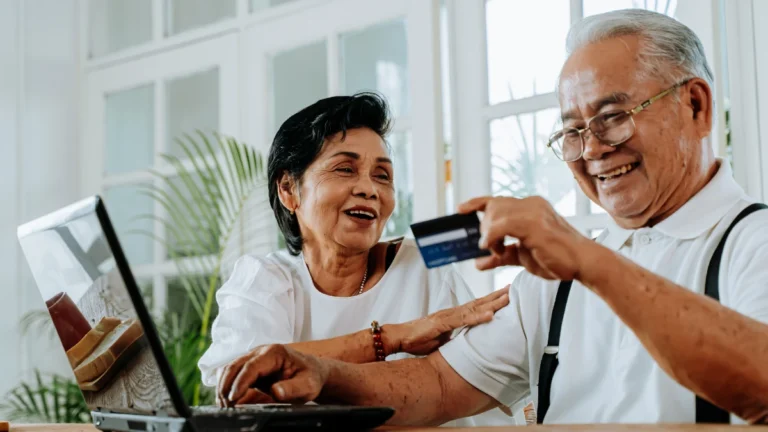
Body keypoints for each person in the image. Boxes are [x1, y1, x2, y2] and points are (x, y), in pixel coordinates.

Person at [213, 9, 768, 426]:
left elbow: (760, 384)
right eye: (573, 131)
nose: (593, 149)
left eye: (613, 117)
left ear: (695, 105)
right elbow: (434, 382)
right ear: (288, 191)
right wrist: (326, 376)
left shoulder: (753, 241)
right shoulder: (554, 283)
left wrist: (589, 260)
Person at [197, 93, 513, 426]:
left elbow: (484, 383)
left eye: (383, 176)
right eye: (345, 169)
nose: (369, 189)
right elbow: (245, 388)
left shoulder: (421, 269)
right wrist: (389, 338)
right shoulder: (264, 279)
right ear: (289, 190)